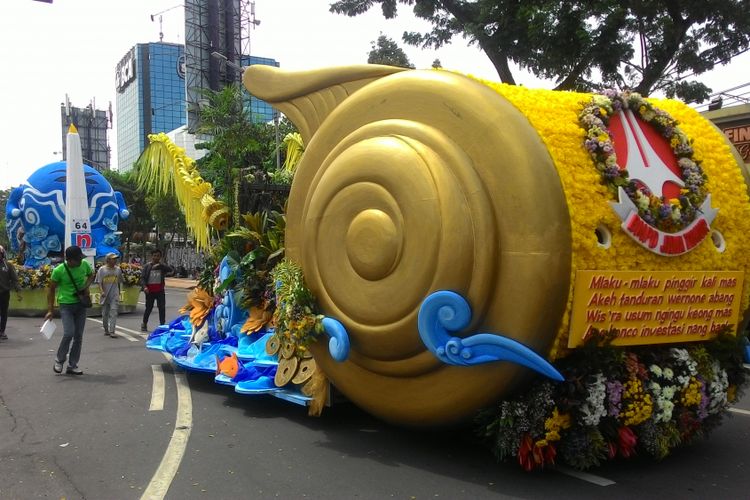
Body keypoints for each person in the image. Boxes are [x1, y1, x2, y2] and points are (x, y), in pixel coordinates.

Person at [45, 246, 94, 375]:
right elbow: (51, 290)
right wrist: (50, 310)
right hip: (66, 305)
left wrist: (85, 287)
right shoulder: (59, 271)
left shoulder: (84, 265)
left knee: (78, 336)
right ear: (69, 260)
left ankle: (72, 365)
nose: (80, 261)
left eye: (80, 258)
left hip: (80, 305)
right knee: (69, 333)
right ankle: (59, 360)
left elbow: (91, 275)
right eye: (77, 260)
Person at [140, 249, 174, 332]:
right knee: (148, 308)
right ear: (152, 256)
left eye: (158, 256)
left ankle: (162, 325)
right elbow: (142, 278)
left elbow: (171, 270)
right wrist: (144, 287)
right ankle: (144, 323)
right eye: (154, 255)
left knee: (162, 308)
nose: (156, 257)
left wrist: (160, 266)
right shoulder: (147, 266)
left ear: (160, 257)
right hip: (150, 291)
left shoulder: (162, 266)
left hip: (160, 291)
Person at [96, 252, 123, 338]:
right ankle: (106, 329)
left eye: (116, 259)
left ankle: (112, 331)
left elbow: (119, 282)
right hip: (105, 295)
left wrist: (119, 292)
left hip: (114, 294)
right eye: (113, 259)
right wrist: (102, 291)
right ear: (108, 260)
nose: (115, 260)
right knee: (105, 314)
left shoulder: (118, 270)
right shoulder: (102, 270)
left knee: (114, 312)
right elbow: (99, 282)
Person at [0, 245, 22, 340]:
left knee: (4, 313)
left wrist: (18, 292)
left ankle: (2, 331)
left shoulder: (8, 265)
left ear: (3, 254)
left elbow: (15, 279)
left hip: (4, 293)